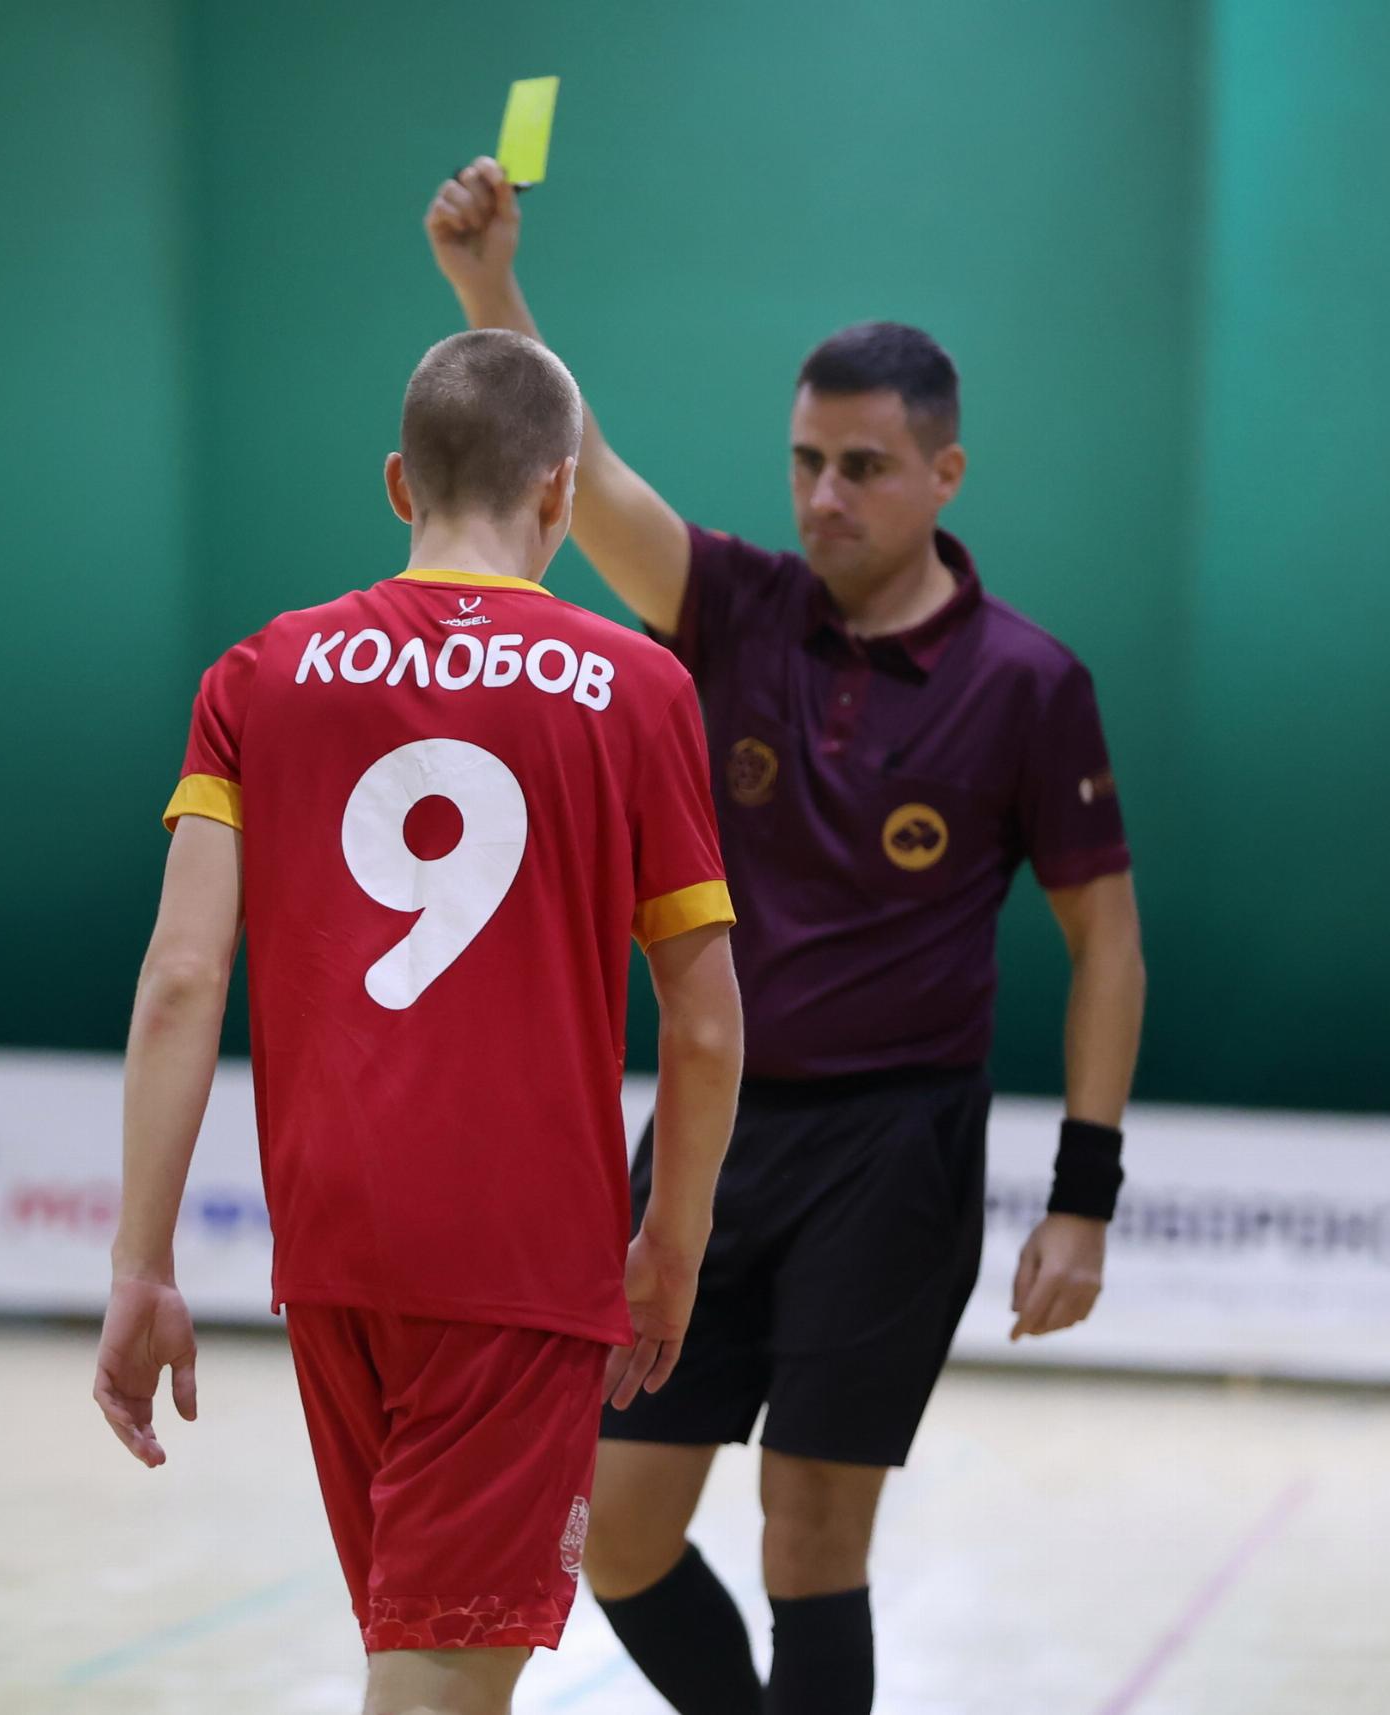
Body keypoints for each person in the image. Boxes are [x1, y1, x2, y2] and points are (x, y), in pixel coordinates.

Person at [424, 161, 1147, 1715]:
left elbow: (1109, 946)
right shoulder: (735, 608)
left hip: (898, 1150)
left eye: (864, 468)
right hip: (716, 1136)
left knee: (810, 1537)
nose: (825, 496)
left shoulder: (1030, 684)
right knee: (614, 1535)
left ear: (946, 473)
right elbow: (586, 477)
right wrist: (488, 290)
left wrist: (1082, 1199)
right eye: (808, 461)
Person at [91, 328, 744, 1715]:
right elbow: (703, 1024)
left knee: (417, 1650)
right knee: (439, 1682)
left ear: (400, 482)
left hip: (333, 1243)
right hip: (522, 1255)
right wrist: (673, 1243)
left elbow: (181, 977)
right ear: (561, 492)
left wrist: (141, 1260)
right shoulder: (640, 689)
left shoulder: (258, 675)